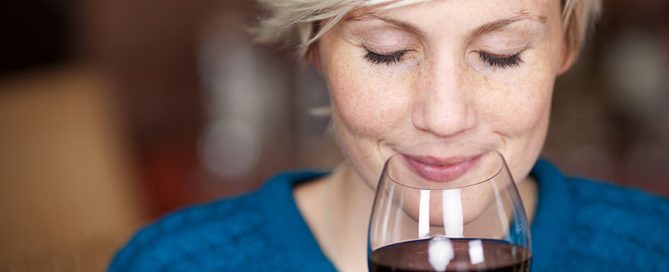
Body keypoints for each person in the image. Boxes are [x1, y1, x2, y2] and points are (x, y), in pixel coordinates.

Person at [109, 0, 669, 271]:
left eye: (501, 56)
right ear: (314, 45)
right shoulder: (175, 265)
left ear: (564, 48)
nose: (444, 117)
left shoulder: (652, 251)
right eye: (387, 52)